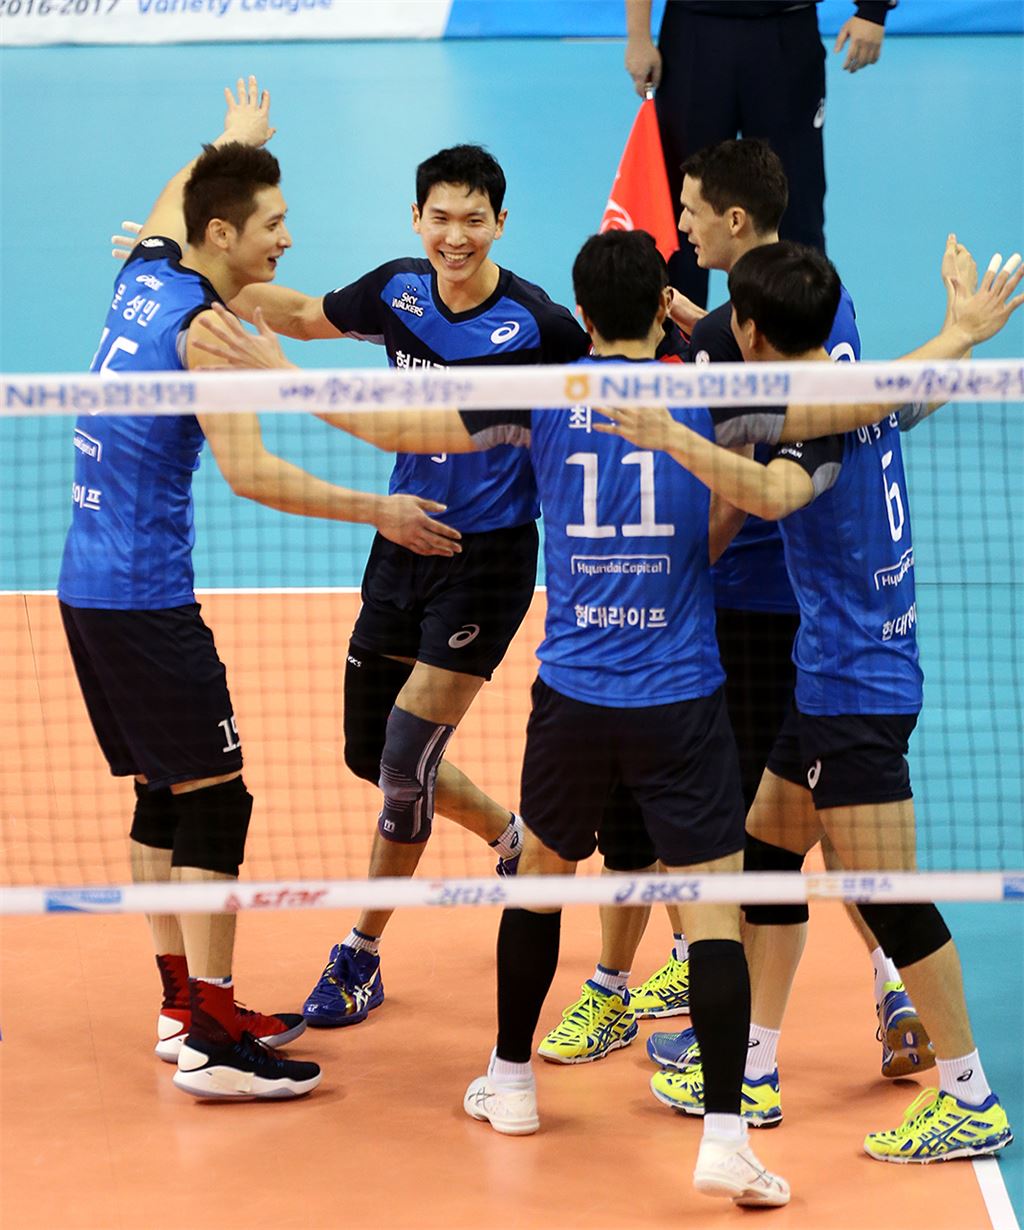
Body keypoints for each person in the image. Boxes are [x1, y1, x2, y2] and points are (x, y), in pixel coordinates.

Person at [58, 78, 460, 1101]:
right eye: (272, 224)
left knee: (164, 792)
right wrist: (377, 510)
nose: (288, 239)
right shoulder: (205, 332)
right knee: (217, 798)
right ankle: (213, 1038)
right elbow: (250, 474)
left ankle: (179, 1006)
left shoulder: (147, 273)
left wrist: (230, 141)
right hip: (145, 599)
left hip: (86, 588)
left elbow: (176, 197)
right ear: (224, 235)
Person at [597, 239, 1023, 1161]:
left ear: (751, 331)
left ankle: (970, 1097)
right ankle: (750, 1068)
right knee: (767, 854)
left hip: (853, 689)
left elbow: (769, 492)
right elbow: (919, 389)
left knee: (891, 901)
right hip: (833, 672)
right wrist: (960, 331)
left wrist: (669, 433)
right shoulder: (858, 384)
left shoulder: (807, 415)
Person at [575, 138, 931, 1086]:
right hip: (811, 619)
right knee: (790, 830)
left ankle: (734, 1023)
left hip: (766, 611)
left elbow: (751, 485)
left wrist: (680, 567)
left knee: (763, 830)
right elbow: (869, 396)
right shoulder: (816, 297)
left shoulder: (744, 350)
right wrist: (956, 341)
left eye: (691, 210)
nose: (680, 225)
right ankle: (827, 1012)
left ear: (734, 221)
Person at [223, 145, 592, 1027]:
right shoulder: (398, 292)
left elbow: (614, 375)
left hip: (486, 560)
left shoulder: (539, 328)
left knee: (402, 759)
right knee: (368, 751)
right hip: (401, 542)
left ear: (501, 223)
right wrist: (193, 278)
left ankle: (361, 951)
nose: (456, 237)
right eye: (441, 218)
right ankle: (511, 838)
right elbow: (300, 313)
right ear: (416, 218)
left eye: (474, 220)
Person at [624, 0, 895, 305]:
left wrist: (873, 11)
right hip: (692, 34)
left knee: (796, 206)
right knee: (683, 204)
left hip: (787, 29)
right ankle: (678, 330)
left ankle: (801, 326)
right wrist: (638, 36)